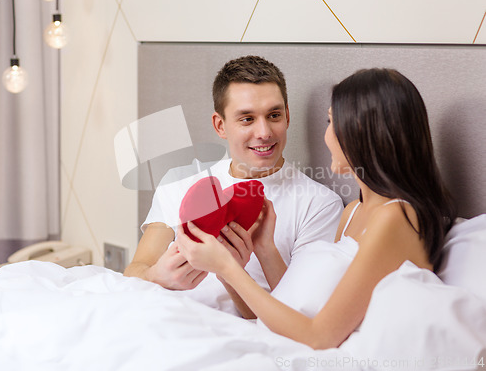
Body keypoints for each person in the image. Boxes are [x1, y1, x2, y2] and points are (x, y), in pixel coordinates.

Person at [176, 68, 457, 348]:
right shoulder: (353, 213)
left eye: (331, 122)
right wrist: (265, 249)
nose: (326, 135)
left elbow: (320, 335)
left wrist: (226, 267)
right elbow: (304, 304)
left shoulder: (396, 218)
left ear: (361, 132)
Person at [124, 55, 343, 317]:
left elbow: (297, 315)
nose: (264, 132)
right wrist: (157, 275)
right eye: (247, 119)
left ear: (287, 116)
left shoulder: (319, 204)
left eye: (274, 115)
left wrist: (237, 267)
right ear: (220, 125)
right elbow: (135, 271)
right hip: (163, 322)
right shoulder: (180, 184)